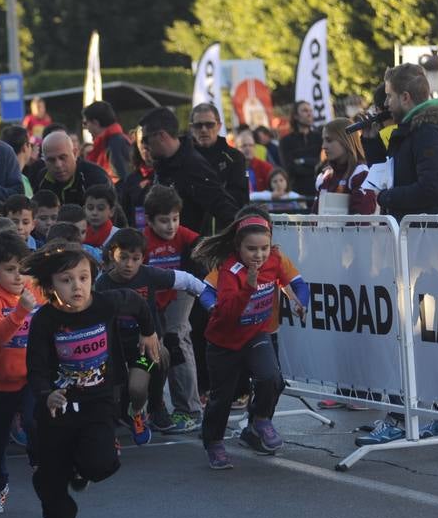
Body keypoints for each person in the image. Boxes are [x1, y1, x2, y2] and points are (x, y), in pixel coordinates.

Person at [24, 242, 159, 518]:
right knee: (48, 477)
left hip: (98, 400)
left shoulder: (106, 303)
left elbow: (139, 306)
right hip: (57, 408)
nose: (77, 287)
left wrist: (148, 332)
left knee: (100, 465)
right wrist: (47, 394)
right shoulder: (44, 321)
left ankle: (81, 469)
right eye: (67, 280)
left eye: (83, 278)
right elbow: (36, 367)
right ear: (49, 286)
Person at [192, 209, 307, 470]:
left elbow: (296, 283)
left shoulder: (275, 259)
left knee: (271, 378)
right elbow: (229, 311)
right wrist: (248, 288)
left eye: (263, 248)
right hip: (224, 342)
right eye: (252, 249)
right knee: (223, 397)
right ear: (238, 247)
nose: (259, 255)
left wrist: (300, 303)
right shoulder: (229, 271)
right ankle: (214, 442)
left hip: (256, 333)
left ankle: (261, 420)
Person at [95, 229, 206, 438]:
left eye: (135, 259)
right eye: (123, 257)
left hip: (143, 347)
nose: (129, 264)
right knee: (112, 396)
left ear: (143, 258)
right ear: (112, 255)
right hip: (116, 348)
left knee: (143, 380)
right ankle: (120, 410)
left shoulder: (148, 274)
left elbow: (183, 279)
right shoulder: (103, 284)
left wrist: (210, 297)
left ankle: (148, 408)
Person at [0, 230, 43, 517]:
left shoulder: (38, 289)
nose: (19, 277)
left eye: (23, 269)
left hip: (32, 376)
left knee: (36, 422)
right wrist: (19, 312)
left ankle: (41, 464)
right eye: (10, 270)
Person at [364, 63, 438, 219]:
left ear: (405, 97)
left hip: (426, 236)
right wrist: (372, 142)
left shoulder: (428, 133)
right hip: (414, 234)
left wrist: (386, 197)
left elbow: (431, 188)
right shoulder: (411, 131)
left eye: (389, 96)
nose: (385, 103)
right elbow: (388, 178)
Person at [141, 185, 203, 432]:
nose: (171, 226)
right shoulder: (143, 240)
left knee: (178, 340)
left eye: (175, 219)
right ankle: (153, 405)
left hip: (180, 292)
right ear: (149, 220)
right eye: (164, 221)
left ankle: (189, 408)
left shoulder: (183, 235)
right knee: (155, 348)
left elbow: (202, 244)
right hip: (153, 297)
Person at [138, 108, 239, 234]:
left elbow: (224, 208)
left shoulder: (194, 167)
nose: (144, 145)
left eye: (145, 139)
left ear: (162, 136)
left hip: (190, 248)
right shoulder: (163, 164)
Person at [189, 103, 250, 207]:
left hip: (225, 220)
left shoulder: (235, 158)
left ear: (219, 126)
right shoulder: (182, 157)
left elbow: (240, 198)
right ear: (191, 128)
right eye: (198, 125)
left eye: (209, 124)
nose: (204, 129)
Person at [314, 118, 377, 215]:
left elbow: (360, 223)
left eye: (329, 140)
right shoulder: (325, 177)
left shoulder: (360, 174)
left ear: (346, 141)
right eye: (323, 140)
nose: (323, 146)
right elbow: (314, 218)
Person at [33, 130, 112, 207]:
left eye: (63, 158)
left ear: (75, 153)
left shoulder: (95, 177)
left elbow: (111, 213)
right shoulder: (42, 179)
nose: (58, 165)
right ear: (43, 160)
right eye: (51, 160)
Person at [278, 101, 324, 196]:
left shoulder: (319, 138)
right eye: (305, 111)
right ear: (295, 116)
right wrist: (313, 164)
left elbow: (322, 164)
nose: (309, 114)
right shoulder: (285, 141)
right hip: (297, 192)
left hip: (319, 189)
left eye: (311, 111)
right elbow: (289, 168)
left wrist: (302, 161)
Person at [82, 101, 132, 183]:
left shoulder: (114, 143)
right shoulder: (112, 141)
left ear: (95, 123)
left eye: (85, 123)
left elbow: (122, 179)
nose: (85, 127)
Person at [82, 184, 121, 250]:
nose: (94, 213)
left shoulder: (119, 236)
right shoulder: (79, 236)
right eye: (90, 208)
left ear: (112, 211)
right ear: (84, 209)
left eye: (100, 208)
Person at [235, 129, 274, 193]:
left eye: (251, 145)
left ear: (255, 148)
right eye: (244, 146)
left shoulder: (266, 167)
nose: (248, 148)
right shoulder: (230, 168)